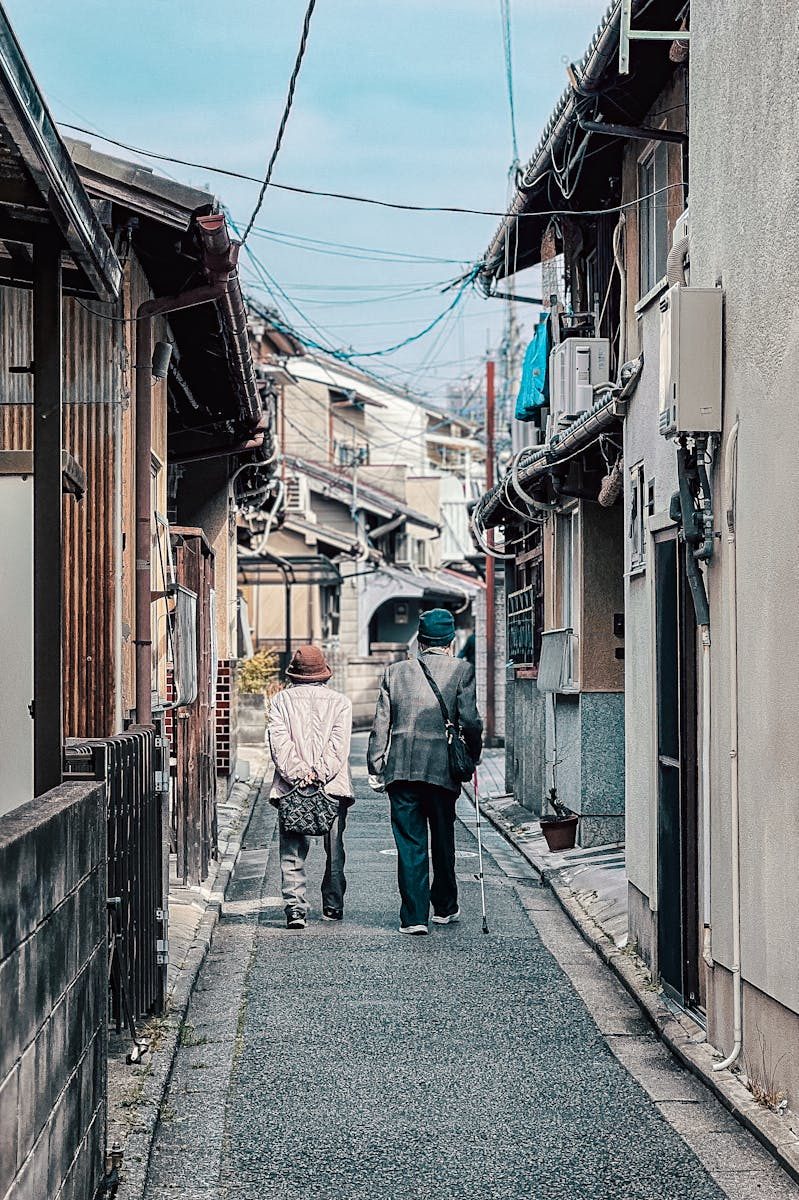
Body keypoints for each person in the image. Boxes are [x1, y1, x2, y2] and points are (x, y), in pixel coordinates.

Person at [367, 608, 483, 935]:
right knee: (444, 839)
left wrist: (376, 765)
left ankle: (415, 917)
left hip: (401, 770)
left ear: (420, 640)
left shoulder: (395, 673)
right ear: (450, 641)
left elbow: (380, 726)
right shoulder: (462, 670)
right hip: (442, 770)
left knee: (410, 843)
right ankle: (445, 908)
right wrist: (471, 756)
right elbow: (471, 721)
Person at [267, 644, 354, 930]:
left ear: (294, 674)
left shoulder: (280, 701)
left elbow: (279, 745)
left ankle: (295, 909)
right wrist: (319, 774)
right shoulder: (340, 702)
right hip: (332, 787)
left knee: (292, 849)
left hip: (291, 787)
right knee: (334, 848)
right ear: (324, 674)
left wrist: (299, 774)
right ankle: (332, 905)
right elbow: (338, 746)